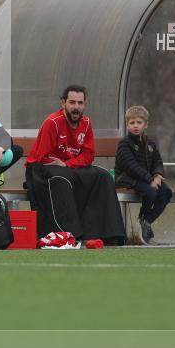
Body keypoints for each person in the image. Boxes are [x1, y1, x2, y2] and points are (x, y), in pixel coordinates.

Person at [25, 85, 126, 245]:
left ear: (85, 104)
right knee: (61, 179)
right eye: (72, 102)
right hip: (42, 168)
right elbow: (43, 158)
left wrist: (67, 164)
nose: (76, 107)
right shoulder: (53, 122)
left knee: (103, 176)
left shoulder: (86, 123)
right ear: (63, 103)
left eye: (80, 103)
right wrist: (65, 166)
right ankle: (70, 235)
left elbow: (88, 155)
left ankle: (109, 234)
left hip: (68, 166)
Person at [114, 105, 172, 244]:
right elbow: (131, 166)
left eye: (139, 123)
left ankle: (146, 220)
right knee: (151, 191)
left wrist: (157, 175)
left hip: (146, 179)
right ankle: (143, 218)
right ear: (127, 125)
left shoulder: (150, 143)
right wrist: (150, 179)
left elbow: (157, 161)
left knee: (166, 192)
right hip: (126, 178)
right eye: (132, 123)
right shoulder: (124, 144)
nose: (135, 126)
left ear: (145, 125)